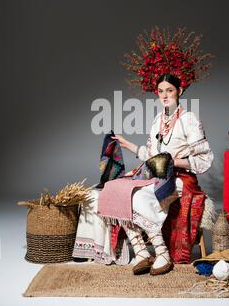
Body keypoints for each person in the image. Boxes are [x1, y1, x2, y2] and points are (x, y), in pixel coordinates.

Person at [73, 73, 214, 275]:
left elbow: (204, 159)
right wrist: (125, 143)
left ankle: (162, 253)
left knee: (138, 197)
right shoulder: (158, 120)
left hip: (180, 177)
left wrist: (172, 162)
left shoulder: (189, 119)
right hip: (156, 173)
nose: (165, 96)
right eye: (161, 91)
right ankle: (140, 251)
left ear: (180, 91)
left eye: (170, 91)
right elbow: (150, 155)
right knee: (116, 189)